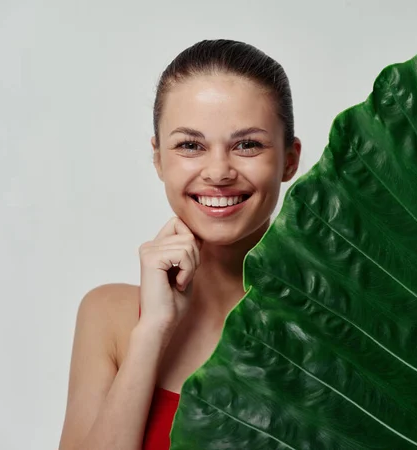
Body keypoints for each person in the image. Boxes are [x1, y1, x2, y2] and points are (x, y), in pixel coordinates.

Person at [58, 39, 301, 449]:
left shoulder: (339, 316)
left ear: (289, 160)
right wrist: (152, 329)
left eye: (247, 144)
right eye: (191, 145)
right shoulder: (109, 316)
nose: (219, 171)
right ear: (158, 158)